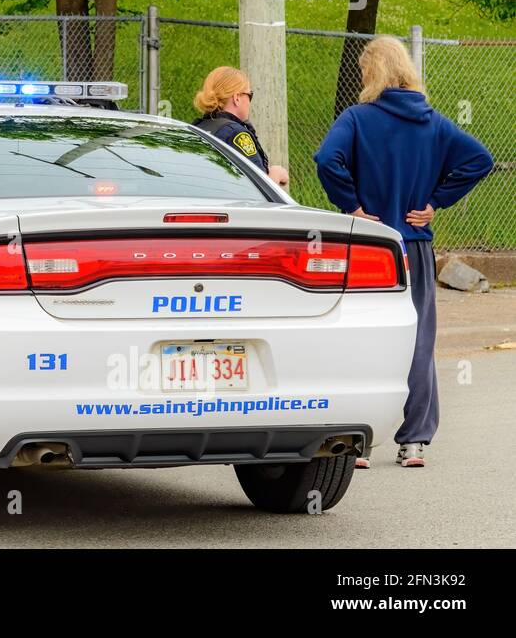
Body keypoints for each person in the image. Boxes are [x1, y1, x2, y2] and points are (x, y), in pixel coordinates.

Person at [314, 36, 493, 469]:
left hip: (370, 248)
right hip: (414, 246)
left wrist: (353, 206)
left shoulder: (357, 118)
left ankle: (357, 440)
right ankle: (414, 441)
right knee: (418, 340)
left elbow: (326, 159)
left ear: (373, 72)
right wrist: (435, 202)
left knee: (360, 337)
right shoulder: (433, 123)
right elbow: (480, 159)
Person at [192, 66, 290, 188]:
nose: (250, 101)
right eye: (250, 94)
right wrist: (276, 174)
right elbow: (258, 191)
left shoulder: (196, 128)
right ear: (237, 98)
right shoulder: (236, 135)